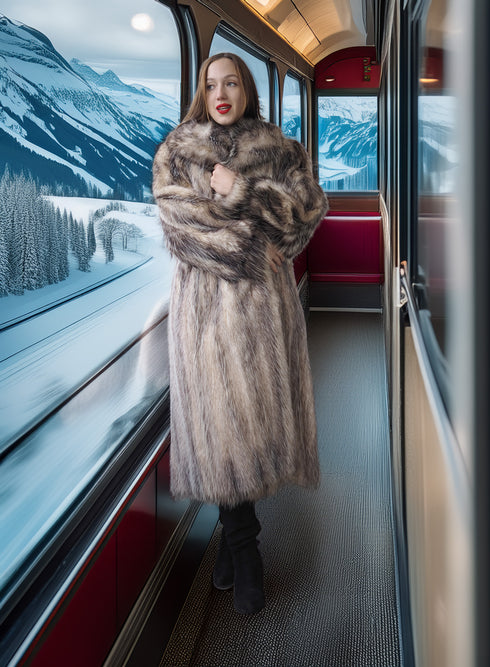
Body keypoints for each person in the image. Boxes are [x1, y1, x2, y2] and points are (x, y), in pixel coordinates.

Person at [152, 52, 328, 615]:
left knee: (252, 427)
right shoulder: (177, 151)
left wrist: (242, 192)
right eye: (210, 85)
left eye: (231, 82)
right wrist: (256, 244)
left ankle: (232, 546)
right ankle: (245, 550)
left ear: (247, 88)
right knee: (222, 428)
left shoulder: (279, 148)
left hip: (264, 315)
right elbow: (182, 226)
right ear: (201, 93)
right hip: (205, 317)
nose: (220, 93)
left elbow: (306, 211)